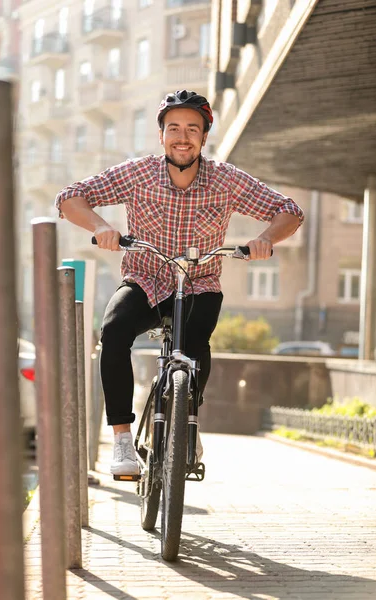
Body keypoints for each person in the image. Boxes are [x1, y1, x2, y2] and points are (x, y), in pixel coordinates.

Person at [55, 89, 304, 477]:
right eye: (173, 128)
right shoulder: (137, 173)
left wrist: (266, 239)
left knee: (194, 345)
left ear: (204, 137)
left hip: (200, 280)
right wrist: (103, 227)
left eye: (192, 129)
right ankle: (121, 440)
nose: (182, 137)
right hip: (145, 278)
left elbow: (289, 211)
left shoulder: (225, 179)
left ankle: (187, 422)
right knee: (114, 330)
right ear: (161, 136)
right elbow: (70, 198)